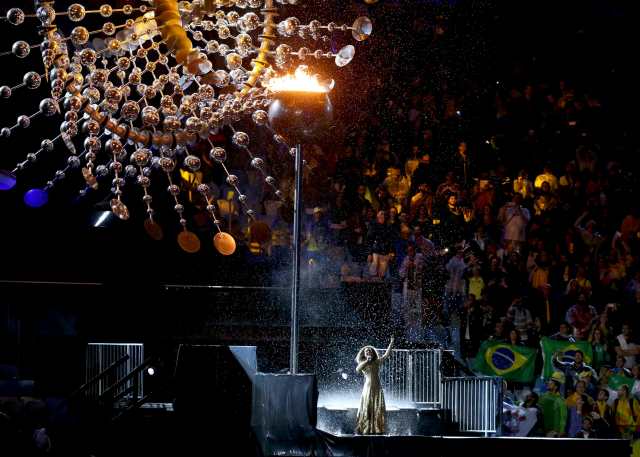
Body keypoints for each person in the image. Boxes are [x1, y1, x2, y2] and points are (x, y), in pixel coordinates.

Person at [355, 337, 395, 435]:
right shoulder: (363, 363)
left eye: (370, 351)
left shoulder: (376, 362)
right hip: (368, 388)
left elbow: (386, 355)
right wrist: (366, 361)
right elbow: (357, 370)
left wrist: (391, 343)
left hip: (377, 387)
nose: (368, 352)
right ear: (364, 354)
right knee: (367, 407)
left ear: (373, 353)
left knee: (377, 407)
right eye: (366, 351)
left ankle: (377, 429)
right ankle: (366, 428)